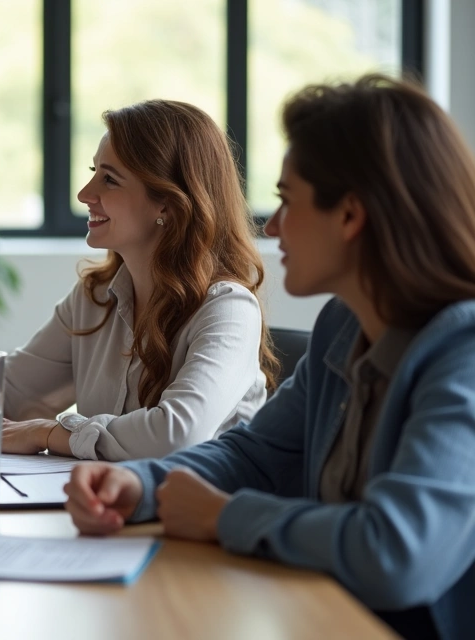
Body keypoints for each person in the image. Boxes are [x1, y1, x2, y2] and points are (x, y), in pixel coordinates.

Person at [66, 75, 475, 640]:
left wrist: (222, 517)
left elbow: (396, 552)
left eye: (287, 201)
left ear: (350, 216)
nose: (273, 225)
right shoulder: (343, 325)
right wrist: (143, 487)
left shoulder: (465, 353)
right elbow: (256, 455)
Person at [0, 99, 277, 461]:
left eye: (110, 179)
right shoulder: (95, 299)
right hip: (111, 519)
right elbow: (2, 397)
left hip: (198, 545)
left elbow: (177, 433)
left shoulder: (228, 309)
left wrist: (48, 432)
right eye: (92, 173)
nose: (85, 195)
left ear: (168, 205)